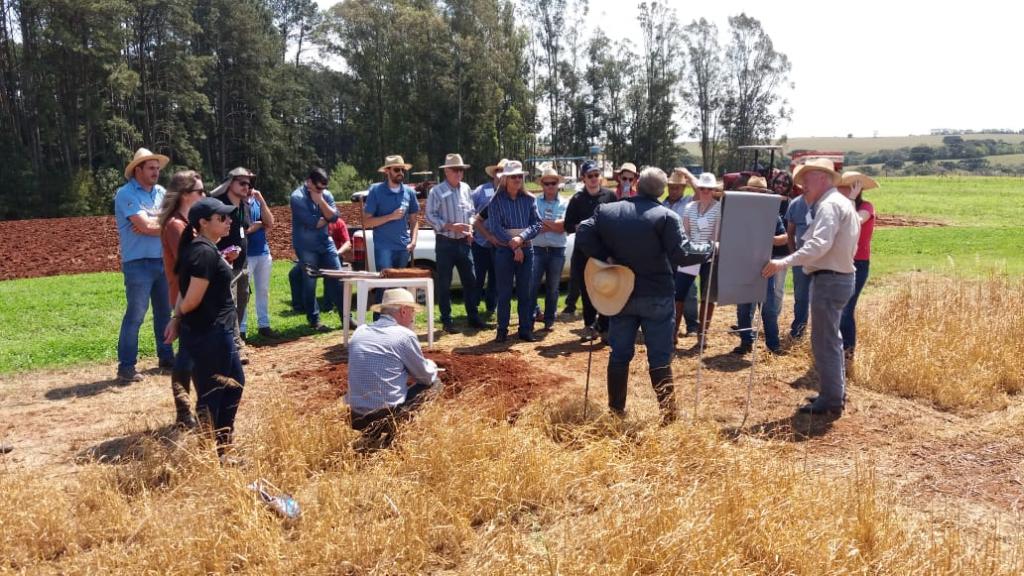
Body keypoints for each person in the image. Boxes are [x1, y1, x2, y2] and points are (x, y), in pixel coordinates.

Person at [576, 167, 714, 423]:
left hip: (620, 294)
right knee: (660, 357)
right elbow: (682, 254)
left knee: (619, 354)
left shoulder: (609, 211)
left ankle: (616, 412)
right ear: (662, 191)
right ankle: (668, 416)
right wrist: (709, 248)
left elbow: (583, 231)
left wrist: (605, 257)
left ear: (637, 184)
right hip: (657, 296)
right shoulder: (666, 216)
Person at [762, 158, 860, 416]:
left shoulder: (829, 206)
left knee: (824, 341)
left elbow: (818, 245)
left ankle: (831, 401)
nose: (802, 183)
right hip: (837, 277)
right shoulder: (841, 203)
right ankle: (833, 393)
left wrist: (784, 262)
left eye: (806, 178)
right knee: (831, 339)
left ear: (823, 178)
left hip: (830, 279)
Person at [164, 197, 246, 456]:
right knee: (213, 396)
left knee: (234, 385)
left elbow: (186, 292)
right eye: (222, 218)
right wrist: (179, 316)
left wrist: (177, 318)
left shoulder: (202, 249)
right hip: (210, 334)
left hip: (212, 332)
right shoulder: (203, 252)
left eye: (228, 217)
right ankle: (209, 454)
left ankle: (223, 447)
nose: (228, 221)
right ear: (203, 222)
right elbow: (191, 299)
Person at [114, 148, 175, 383]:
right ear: (137, 170)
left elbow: (162, 222)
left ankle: (167, 357)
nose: (156, 172)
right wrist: (158, 225)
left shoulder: (161, 192)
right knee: (136, 314)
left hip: (162, 260)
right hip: (137, 264)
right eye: (151, 168)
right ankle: (126, 367)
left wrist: (151, 223)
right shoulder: (125, 194)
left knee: (164, 312)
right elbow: (146, 226)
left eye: (158, 168)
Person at [347, 288, 440, 442]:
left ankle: (371, 436)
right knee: (435, 384)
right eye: (412, 312)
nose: (412, 318)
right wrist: (432, 365)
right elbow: (425, 377)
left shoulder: (359, 332)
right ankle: (394, 437)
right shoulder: (404, 336)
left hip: (356, 415)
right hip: (385, 415)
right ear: (403, 311)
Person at [158, 170, 205, 428]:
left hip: (191, 295)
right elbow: (189, 262)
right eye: (200, 191)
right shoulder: (177, 226)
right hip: (184, 297)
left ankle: (192, 410)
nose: (204, 195)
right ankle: (184, 413)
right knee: (187, 355)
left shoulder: (187, 223)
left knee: (192, 354)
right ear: (186, 195)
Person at [426, 153, 486, 334]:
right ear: (447, 172)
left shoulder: (466, 188)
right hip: (445, 242)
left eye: (461, 170)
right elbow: (430, 216)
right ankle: (447, 320)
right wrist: (451, 226)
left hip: (464, 242)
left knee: (471, 280)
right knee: (444, 283)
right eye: (455, 170)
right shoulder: (436, 191)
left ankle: (473, 318)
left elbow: (471, 211)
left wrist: (469, 228)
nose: (459, 173)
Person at [484, 160, 542, 342]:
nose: (517, 179)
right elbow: (494, 226)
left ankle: (525, 329)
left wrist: (521, 238)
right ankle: (502, 329)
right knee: (504, 292)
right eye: (513, 176)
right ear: (505, 179)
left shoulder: (530, 199)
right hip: (504, 250)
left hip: (526, 249)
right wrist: (513, 243)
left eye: (520, 176)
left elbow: (537, 223)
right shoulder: (496, 200)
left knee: (525, 291)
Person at [564, 160, 617, 341]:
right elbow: (567, 225)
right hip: (583, 253)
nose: (593, 179)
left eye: (596, 175)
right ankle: (589, 325)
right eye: (590, 176)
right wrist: (580, 226)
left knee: (606, 288)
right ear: (583, 178)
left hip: (605, 252)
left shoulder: (611, 196)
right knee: (587, 290)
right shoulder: (577, 199)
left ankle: (605, 327)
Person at [290, 167, 344, 331]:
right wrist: (326, 217)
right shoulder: (296, 197)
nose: (322, 191)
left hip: (325, 244)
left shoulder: (325, 195)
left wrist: (320, 201)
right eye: (319, 188)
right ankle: (314, 320)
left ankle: (346, 317)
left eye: (324, 188)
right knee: (310, 283)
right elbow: (313, 223)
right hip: (305, 247)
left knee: (338, 278)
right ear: (309, 182)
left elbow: (334, 217)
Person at [363, 155, 420, 310]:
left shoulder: (409, 192)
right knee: (385, 283)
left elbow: (415, 220)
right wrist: (390, 217)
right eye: (396, 169)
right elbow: (367, 221)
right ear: (387, 171)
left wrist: (413, 240)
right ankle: (379, 318)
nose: (400, 172)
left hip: (403, 246)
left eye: (402, 169)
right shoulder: (376, 191)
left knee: (400, 285)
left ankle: (398, 319)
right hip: (384, 246)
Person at [209, 168, 254, 360]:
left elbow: (246, 228)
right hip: (225, 264)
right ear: (230, 184)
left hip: (242, 263)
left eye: (248, 184)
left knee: (243, 298)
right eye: (242, 183)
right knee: (230, 303)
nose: (247, 187)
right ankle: (235, 345)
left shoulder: (243, 205)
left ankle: (229, 339)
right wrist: (224, 253)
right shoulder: (220, 206)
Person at [837, 172, 877, 369]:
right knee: (837, 309)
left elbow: (856, 223)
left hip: (858, 263)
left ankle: (848, 355)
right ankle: (838, 353)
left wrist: (851, 199)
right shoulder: (841, 207)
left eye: (845, 187)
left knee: (846, 309)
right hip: (839, 261)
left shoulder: (866, 207)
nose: (840, 190)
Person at [682, 172, 723, 339]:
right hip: (691, 255)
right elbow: (685, 232)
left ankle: (702, 333)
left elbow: (717, 236)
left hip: (710, 256)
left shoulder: (719, 208)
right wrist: (690, 250)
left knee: (707, 296)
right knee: (681, 291)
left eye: (709, 188)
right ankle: (674, 332)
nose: (705, 191)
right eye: (703, 188)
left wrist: (707, 249)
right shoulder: (689, 207)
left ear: (713, 190)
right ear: (698, 189)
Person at [662, 168, 700, 340]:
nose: (674, 190)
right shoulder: (662, 205)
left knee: (690, 291)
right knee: (670, 290)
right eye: (671, 187)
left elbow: (700, 190)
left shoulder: (690, 202)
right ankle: (670, 325)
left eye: (677, 187)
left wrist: (688, 173)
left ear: (684, 188)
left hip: (688, 251)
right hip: (668, 254)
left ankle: (692, 324)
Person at [531, 168, 569, 331]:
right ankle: (531, 316)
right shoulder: (534, 202)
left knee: (553, 287)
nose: (550, 186)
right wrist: (553, 224)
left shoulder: (565, 202)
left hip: (557, 251)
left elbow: (563, 227)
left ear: (558, 184)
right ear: (542, 185)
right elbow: (533, 225)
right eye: (547, 183)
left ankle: (549, 319)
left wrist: (544, 224)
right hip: (537, 249)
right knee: (531, 286)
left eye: (553, 183)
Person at [470, 159, 506, 317]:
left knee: (496, 277)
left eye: (504, 171)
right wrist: (470, 231)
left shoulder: (509, 192)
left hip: (500, 243)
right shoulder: (480, 190)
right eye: (498, 170)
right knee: (478, 276)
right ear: (494, 174)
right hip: (480, 242)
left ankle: (492, 306)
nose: (501, 174)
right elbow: (470, 212)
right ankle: (474, 306)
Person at [240, 181, 275, 339]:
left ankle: (264, 325)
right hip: (246, 255)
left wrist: (261, 200)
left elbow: (270, 222)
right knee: (243, 292)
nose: (249, 189)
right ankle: (241, 328)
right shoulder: (238, 204)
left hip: (262, 253)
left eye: (250, 186)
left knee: (263, 291)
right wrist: (260, 225)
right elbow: (245, 229)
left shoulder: (257, 201)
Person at [784, 185, 812, 339]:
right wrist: (793, 253)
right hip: (800, 259)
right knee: (801, 296)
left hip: (820, 259)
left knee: (820, 297)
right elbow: (790, 232)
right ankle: (798, 331)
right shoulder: (795, 204)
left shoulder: (824, 203)